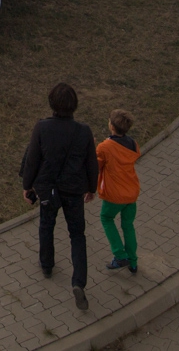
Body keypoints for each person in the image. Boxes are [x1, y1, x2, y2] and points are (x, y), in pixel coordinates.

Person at [21, 82, 99, 312]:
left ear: (52, 104)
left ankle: (46, 265)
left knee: (47, 224)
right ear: (74, 105)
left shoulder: (42, 128)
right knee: (77, 235)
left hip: (49, 190)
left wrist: (28, 186)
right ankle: (78, 282)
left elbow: (33, 159)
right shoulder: (83, 131)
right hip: (74, 190)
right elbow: (91, 163)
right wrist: (91, 188)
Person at [97, 109, 140, 274]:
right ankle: (133, 261)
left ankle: (119, 254)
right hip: (132, 192)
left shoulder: (105, 147)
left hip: (114, 195)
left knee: (106, 218)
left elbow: (96, 166)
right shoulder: (132, 144)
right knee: (128, 226)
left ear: (112, 126)